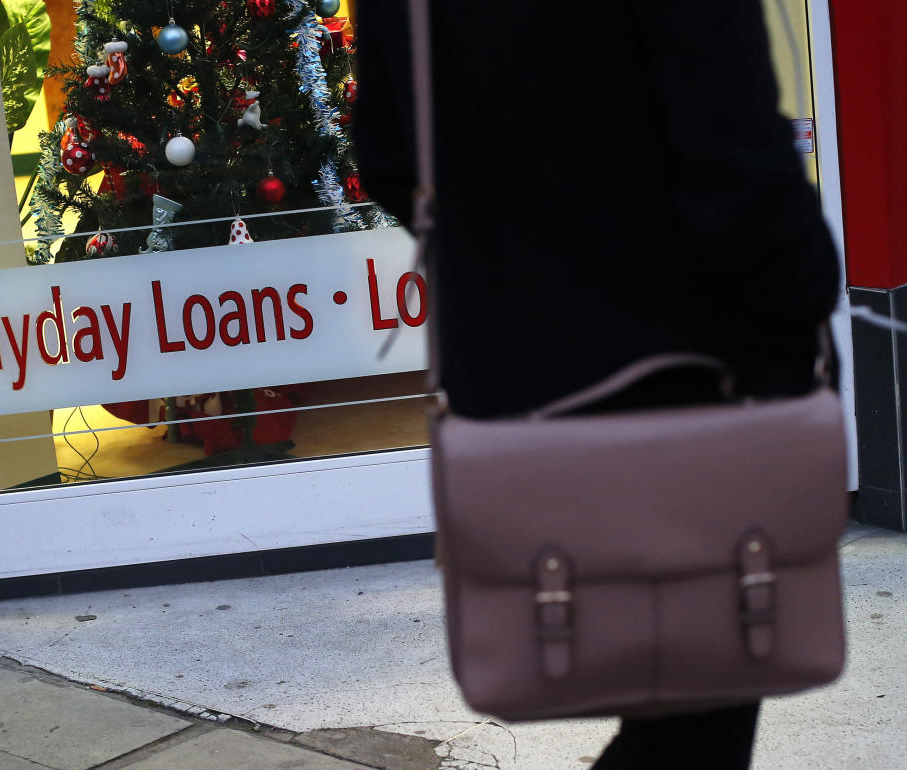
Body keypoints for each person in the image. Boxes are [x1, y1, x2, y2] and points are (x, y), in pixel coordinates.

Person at [350, 1, 841, 767]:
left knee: (682, 723)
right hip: (698, 369)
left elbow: (388, 156)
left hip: (514, 383)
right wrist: (803, 321)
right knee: (705, 705)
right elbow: (740, 164)